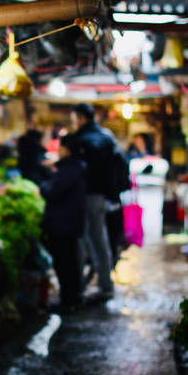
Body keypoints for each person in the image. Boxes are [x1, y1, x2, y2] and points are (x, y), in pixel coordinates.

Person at [64, 102, 115, 298]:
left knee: (80, 239)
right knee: (99, 238)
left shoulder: (81, 140)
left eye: (74, 119)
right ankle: (105, 283)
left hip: (83, 195)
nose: (74, 123)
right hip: (101, 195)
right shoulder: (105, 137)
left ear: (82, 118)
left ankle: (78, 287)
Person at [39, 141, 87, 310]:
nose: (58, 151)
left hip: (63, 223)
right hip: (70, 222)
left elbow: (54, 192)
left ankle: (68, 300)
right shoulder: (75, 167)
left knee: (65, 263)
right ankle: (73, 298)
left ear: (67, 149)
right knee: (70, 263)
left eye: (60, 148)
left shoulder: (69, 170)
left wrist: (43, 187)